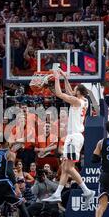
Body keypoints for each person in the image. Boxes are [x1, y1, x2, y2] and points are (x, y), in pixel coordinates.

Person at [42, 69, 95, 203]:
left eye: (75, 89)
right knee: (65, 166)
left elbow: (60, 93)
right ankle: (58, 193)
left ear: (79, 93)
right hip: (74, 137)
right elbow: (70, 92)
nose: (73, 90)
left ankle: (87, 191)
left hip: (74, 137)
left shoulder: (77, 102)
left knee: (69, 167)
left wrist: (56, 77)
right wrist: (65, 78)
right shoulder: (84, 101)